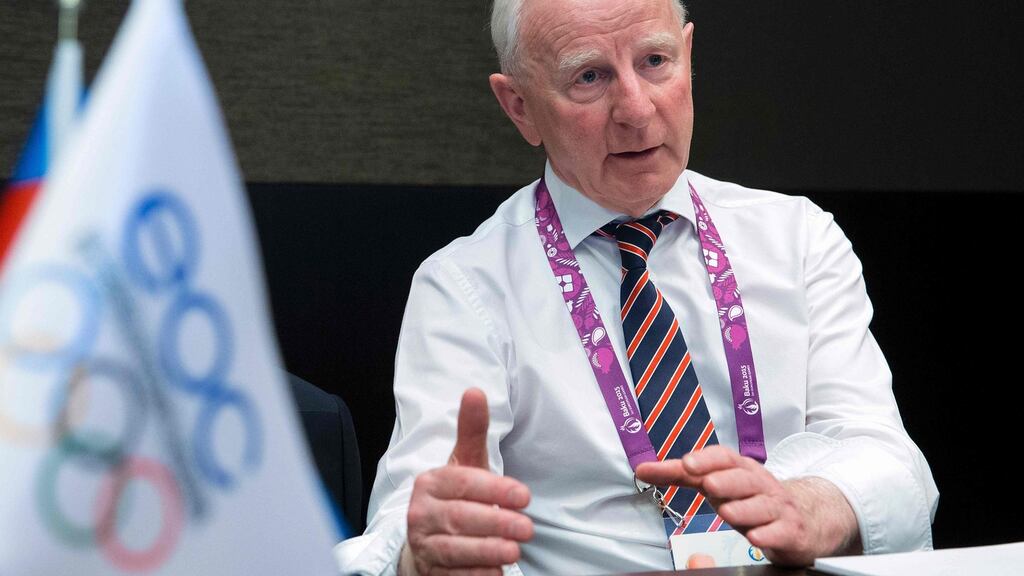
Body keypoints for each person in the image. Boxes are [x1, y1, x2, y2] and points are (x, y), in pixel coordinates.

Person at [335, 0, 938, 573]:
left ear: (688, 53)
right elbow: (411, 516)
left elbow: (891, 462)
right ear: (519, 107)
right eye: (590, 77)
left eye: (655, 62)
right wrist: (428, 555)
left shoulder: (799, 239)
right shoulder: (465, 289)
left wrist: (813, 505)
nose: (637, 108)